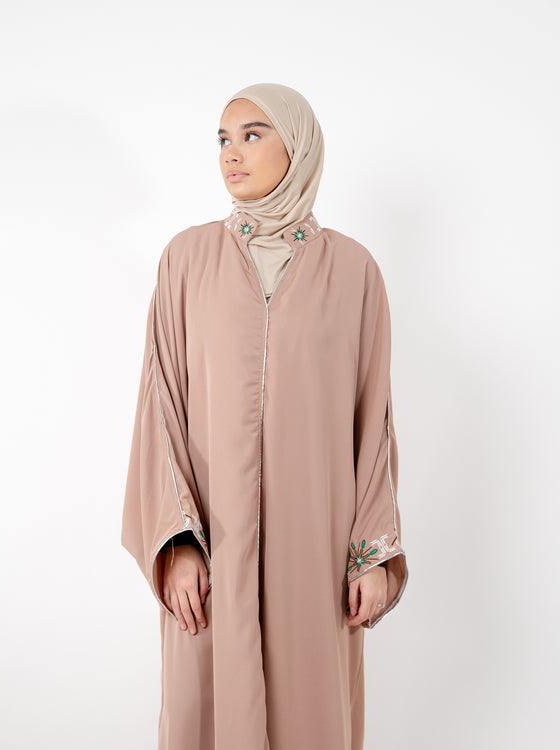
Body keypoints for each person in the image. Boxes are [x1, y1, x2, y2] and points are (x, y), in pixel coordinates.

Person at [121, 82, 409, 750]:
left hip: (315, 551)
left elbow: (373, 422)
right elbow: (159, 405)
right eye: (224, 139)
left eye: (253, 135)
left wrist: (370, 556)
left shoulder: (354, 271)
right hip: (211, 550)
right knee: (205, 703)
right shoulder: (187, 260)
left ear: (298, 147)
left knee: (309, 708)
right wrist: (178, 544)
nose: (232, 153)